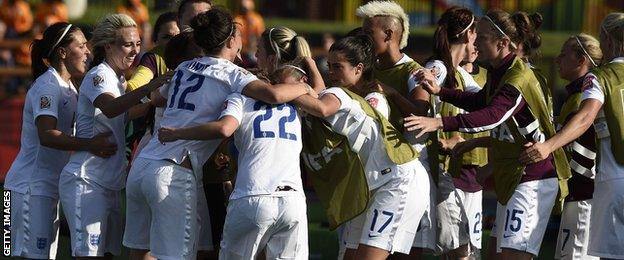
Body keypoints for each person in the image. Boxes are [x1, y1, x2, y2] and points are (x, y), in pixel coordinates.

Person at [123, 8, 315, 260]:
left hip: (143, 166)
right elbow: (275, 95)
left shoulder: (183, 68)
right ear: (231, 41)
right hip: (174, 171)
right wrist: (304, 85)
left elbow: (158, 98)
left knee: (140, 252)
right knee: (176, 256)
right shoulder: (235, 75)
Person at [405, 9, 571, 260]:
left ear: (502, 42)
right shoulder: (499, 70)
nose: (475, 42)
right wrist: (441, 91)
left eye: (481, 37)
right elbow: (481, 101)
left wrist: (439, 122)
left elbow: (492, 115)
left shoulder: (517, 76)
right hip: (513, 173)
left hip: (532, 177)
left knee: (510, 256)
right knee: (494, 254)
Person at [157, 61, 311, 260]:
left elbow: (224, 128)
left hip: (252, 195)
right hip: (293, 201)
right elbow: (323, 104)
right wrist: (307, 81)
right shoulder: (296, 102)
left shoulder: (239, 98)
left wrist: (178, 133)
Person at [295, 35, 429, 260]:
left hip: (397, 180)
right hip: (369, 187)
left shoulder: (365, 97)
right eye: (328, 66)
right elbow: (322, 97)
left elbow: (322, 106)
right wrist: (309, 65)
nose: (331, 72)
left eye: (337, 67)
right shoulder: (345, 93)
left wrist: (280, 92)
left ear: (358, 68)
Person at [3, 22, 115, 260]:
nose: (88, 52)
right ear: (62, 52)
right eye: (82, 45)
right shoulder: (48, 86)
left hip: (43, 188)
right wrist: (90, 143)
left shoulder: (70, 88)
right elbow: (47, 135)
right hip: (28, 189)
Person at [58, 14, 167, 258]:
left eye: (138, 44)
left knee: (108, 254)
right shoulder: (100, 74)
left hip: (109, 183)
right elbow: (111, 107)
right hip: (87, 180)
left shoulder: (117, 78)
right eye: (128, 44)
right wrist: (150, 87)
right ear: (108, 46)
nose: (135, 50)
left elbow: (124, 114)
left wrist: (156, 101)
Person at [520, 13, 624, 259]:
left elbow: (586, 117)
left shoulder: (600, 77)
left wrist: (547, 146)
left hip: (610, 184)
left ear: (608, 39)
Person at [356, 2, 434, 258]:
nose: (363, 40)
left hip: (409, 170)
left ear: (389, 35)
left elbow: (420, 116)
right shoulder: (370, 69)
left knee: (406, 252)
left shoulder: (413, 72)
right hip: (377, 169)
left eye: (368, 34)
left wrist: (392, 94)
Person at [417, 7, 485, 259]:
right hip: (429, 167)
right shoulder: (439, 67)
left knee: (459, 246)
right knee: (458, 248)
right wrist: (440, 130)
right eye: (477, 34)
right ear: (469, 36)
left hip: (443, 170)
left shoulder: (458, 72)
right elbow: (420, 100)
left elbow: (486, 103)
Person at [549, 33, 602, 260]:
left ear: (581, 60)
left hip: (585, 197)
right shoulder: (574, 96)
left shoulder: (587, 97)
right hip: (577, 196)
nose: (557, 59)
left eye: (563, 54)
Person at [235, 0, 265, 65]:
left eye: (246, 8)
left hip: (252, 51)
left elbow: (260, 36)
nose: (245, 10)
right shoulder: (237, 19)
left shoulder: (257, 19)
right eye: (243, 8)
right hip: (241, 51)